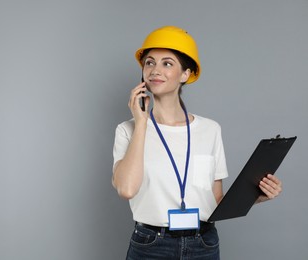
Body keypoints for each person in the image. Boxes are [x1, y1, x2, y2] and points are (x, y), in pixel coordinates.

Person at [112, 26, 282, 260]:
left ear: (185, 74)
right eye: (149, 62)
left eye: (167, 63)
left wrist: (257, 196)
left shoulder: (210, 130)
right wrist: (141, 123)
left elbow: (216, 200)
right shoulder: (128, 130)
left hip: (203, 243)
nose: (155, 70)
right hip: (151, 245)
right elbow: (127, 189)